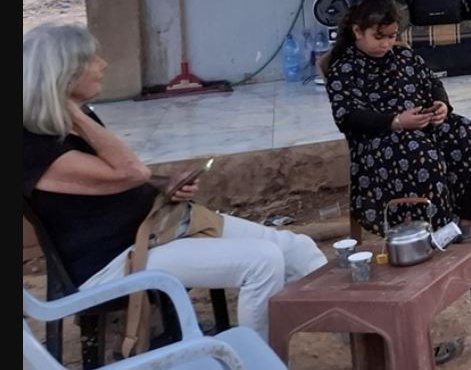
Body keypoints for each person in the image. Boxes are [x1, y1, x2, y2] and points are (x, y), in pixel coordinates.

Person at [21, 23, 327, 342]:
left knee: (299, 249)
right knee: (262, 263)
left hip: (162, 227)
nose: (103, 64)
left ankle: (353, 330)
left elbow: (113, 181)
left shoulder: (65, 124)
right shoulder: (33, 146)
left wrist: (164, 183)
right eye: (91, 59)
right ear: (65, 74)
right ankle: (258, 360)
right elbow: (131, 172)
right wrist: (75, 114)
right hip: (117, 260)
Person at [323, 0, 471, 241]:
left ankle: (464, 224)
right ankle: (439, 231)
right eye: (378, 37)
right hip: (380, 140)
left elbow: (432, 83)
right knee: (422, 155)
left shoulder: (404, 56)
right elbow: (348, 118)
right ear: (358, 31)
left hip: (424, 126)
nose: (386, 44)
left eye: (391, 36)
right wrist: (396, 122)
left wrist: (441, 105)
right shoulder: (344, 69)